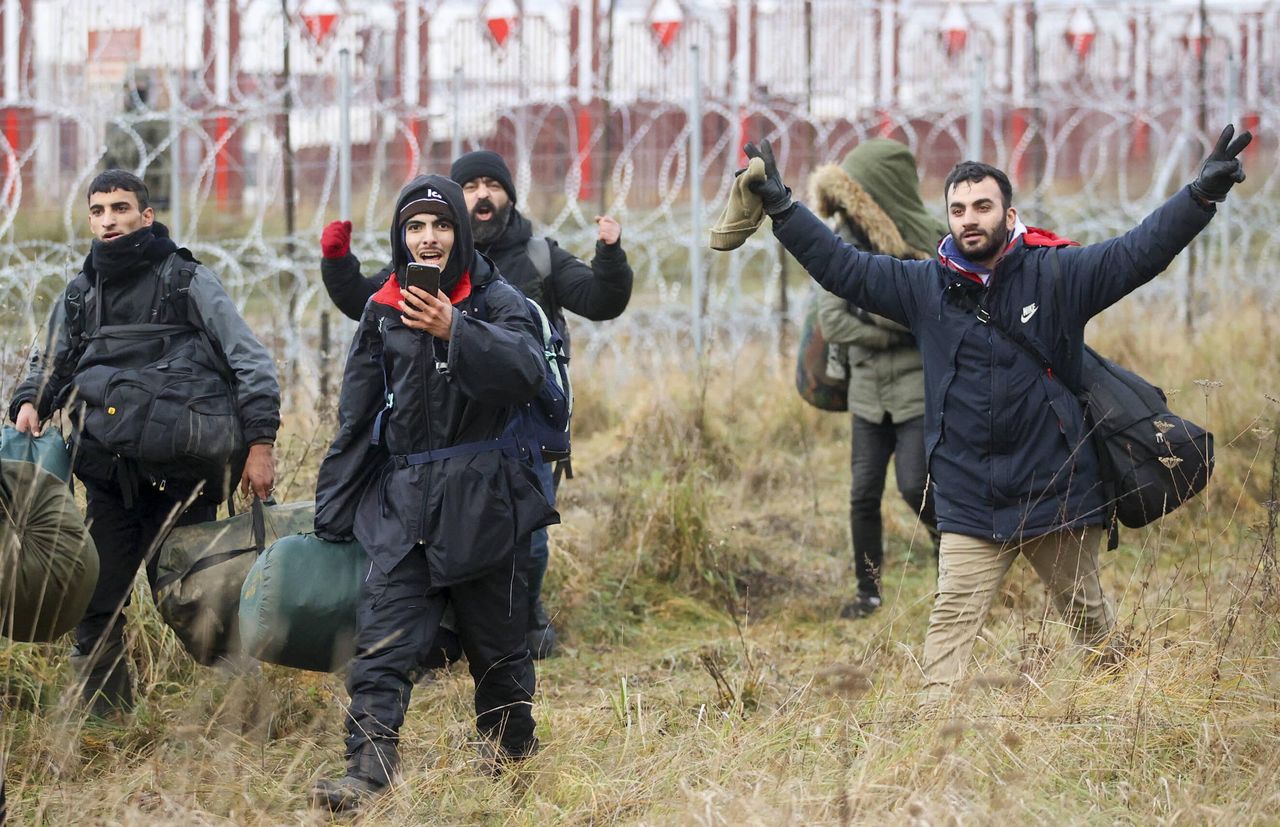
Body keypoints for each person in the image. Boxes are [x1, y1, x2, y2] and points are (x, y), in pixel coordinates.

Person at [737, 125, 1250, 703]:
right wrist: (783, 207)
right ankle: (929, 751)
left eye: (983, 206)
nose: (969, 219)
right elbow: (842, 267)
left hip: (1055, 491)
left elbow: (1137, 252)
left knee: (1088, 618)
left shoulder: (1058, 275)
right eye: (958, 209)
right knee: (951, 620)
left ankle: (1124, 712)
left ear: (1009, 215)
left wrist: (1199, 198)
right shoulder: (924, 288)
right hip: (969, 497)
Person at [319, 149, 634, 658]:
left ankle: (524, 628)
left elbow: (600, 300)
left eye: (494, 185)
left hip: (520, 423)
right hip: (444, 432)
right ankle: (454, 637)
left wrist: (611, 255)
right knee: (444, 537)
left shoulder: (537, 256)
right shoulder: (427, 259)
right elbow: (370, 304)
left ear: (509, 195)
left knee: (523, 535)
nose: (482, 195)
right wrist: (337, 263)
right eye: (471, 187)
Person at [310, 174, 556, 812]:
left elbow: (527, 370)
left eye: (440, 225)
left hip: (485, 498)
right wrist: (331, 512)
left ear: (461, 233)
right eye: (415, 227)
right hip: (405, 499)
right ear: (401, 236)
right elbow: (357, 418)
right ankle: (367, 775)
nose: (428, 237)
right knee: (382, 643)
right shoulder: (383, 308)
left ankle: (511, 756)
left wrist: (456, 331)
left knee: (498, 652)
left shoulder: (498, 301)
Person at [8, 170, 279, 716]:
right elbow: (51, 364)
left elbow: (248, 359)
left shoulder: (186, 281)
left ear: (146, 216)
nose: (108, 220)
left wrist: (260, 444)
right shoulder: (82, 293)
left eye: (121, 208)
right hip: (111, 482)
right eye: (98, 210)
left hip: (186, 480)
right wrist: (30, 401)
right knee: (94, 606)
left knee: (202, 606)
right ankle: (108, 724)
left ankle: (245, 720)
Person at [808, 140, 942, 619]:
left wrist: (874, 311)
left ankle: (953, 556)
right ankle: (869, 591)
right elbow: (834, 321)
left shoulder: (927, 244)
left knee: (914, 485)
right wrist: (894, 324)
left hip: (914, 393)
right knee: (862, 493)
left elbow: (928, 315)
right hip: (866, 395)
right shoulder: (840, 241)